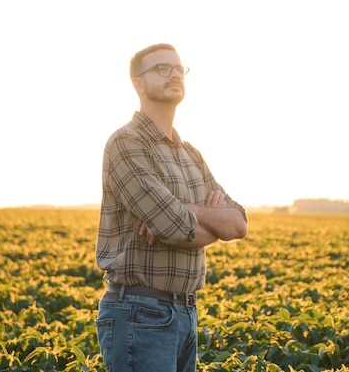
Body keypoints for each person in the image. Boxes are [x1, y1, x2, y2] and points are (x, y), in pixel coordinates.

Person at [95, 43, 248, 372]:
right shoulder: (126, 143)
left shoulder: (189, 153)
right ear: (138, 83)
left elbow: (238, 224)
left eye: (179, 69)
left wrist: (181, 208)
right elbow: (175, 227)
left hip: (186, 313)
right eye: (162, 69)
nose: (174, 74)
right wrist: (204, 220)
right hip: (139, 313)